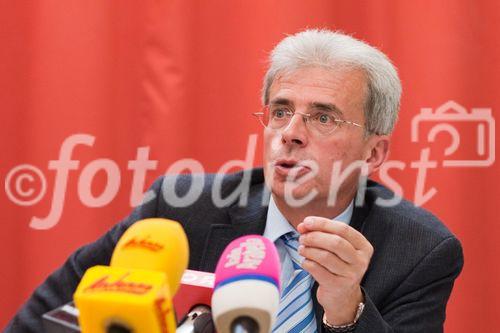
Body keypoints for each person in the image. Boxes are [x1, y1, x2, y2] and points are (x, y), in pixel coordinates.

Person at [6, 29, 463, 333]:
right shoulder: (181, 211)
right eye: (281, 111)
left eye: (322, 117)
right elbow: (42, 320)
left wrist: (347, 311)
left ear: (374, 152)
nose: (291, 134)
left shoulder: (418, 250)